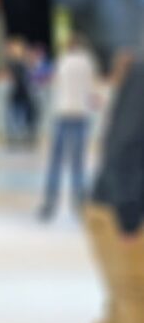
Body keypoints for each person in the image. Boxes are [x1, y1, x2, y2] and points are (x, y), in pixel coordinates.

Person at [25, 55, 144, 323]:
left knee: (124, 318)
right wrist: (130, 217)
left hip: (119, 211)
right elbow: (125, 145)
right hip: (123, 215)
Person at [37, 34, 99, 222]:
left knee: (56, 162)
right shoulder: (88, 62)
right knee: (78, 163)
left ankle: (50, 203)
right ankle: (79, 202)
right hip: (81, 115)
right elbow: (91, 89)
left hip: (63, 114)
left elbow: (48, 81)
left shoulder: (62, 61)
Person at [6, 38, 39, 149]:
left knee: (24, 119)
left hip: (24, 96)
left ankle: (26, 137)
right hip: (17, 96)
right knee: (15, 119)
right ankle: (15, 138)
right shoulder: (15, 65)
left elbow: (32, 78)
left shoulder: (26, 65)